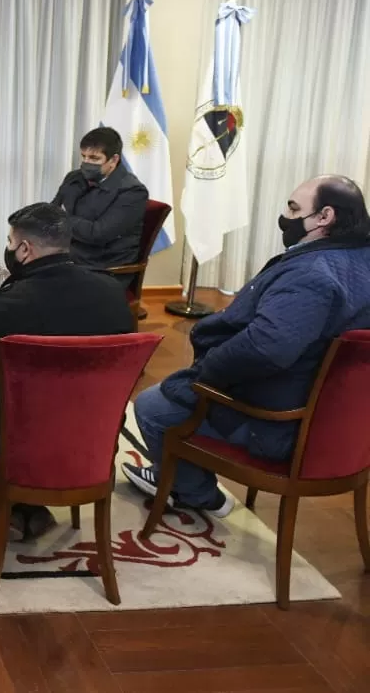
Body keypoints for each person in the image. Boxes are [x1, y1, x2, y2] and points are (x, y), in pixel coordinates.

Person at [123, 176, 370, 516]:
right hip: (345, 424)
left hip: (279, 420)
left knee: (152, 406)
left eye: (294, 208)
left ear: (324, 217)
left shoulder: (312, 273)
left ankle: (198, 494)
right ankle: (177, 475)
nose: (285, 215)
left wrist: (206, 375)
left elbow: (267, 348)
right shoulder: (359, 259)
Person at [0, 203, 134, 541]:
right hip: (92, 435)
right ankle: (29, 510)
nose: (9, 247)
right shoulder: (113, 295)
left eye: (10, 241)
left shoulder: (3, 308)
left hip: (17, 437)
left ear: (24, 249)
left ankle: (20, 506)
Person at [51, 127, 148, 284]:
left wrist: (63, 218)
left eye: (94, 158)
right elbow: (51, 212)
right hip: (70, 258)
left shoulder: (132, 191)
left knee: (42, 293)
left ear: (114, 160)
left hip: (104, 269)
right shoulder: (74, 178)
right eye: (84, 157)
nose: (86, 163)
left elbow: (97, 234)